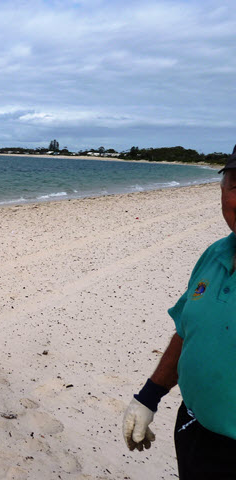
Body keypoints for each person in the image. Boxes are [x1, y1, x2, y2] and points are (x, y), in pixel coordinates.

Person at [122, 145, 236, 478]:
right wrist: (148, 397)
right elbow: (188, 330)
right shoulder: (215, 254)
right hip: (193, 428)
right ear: (221, 191)